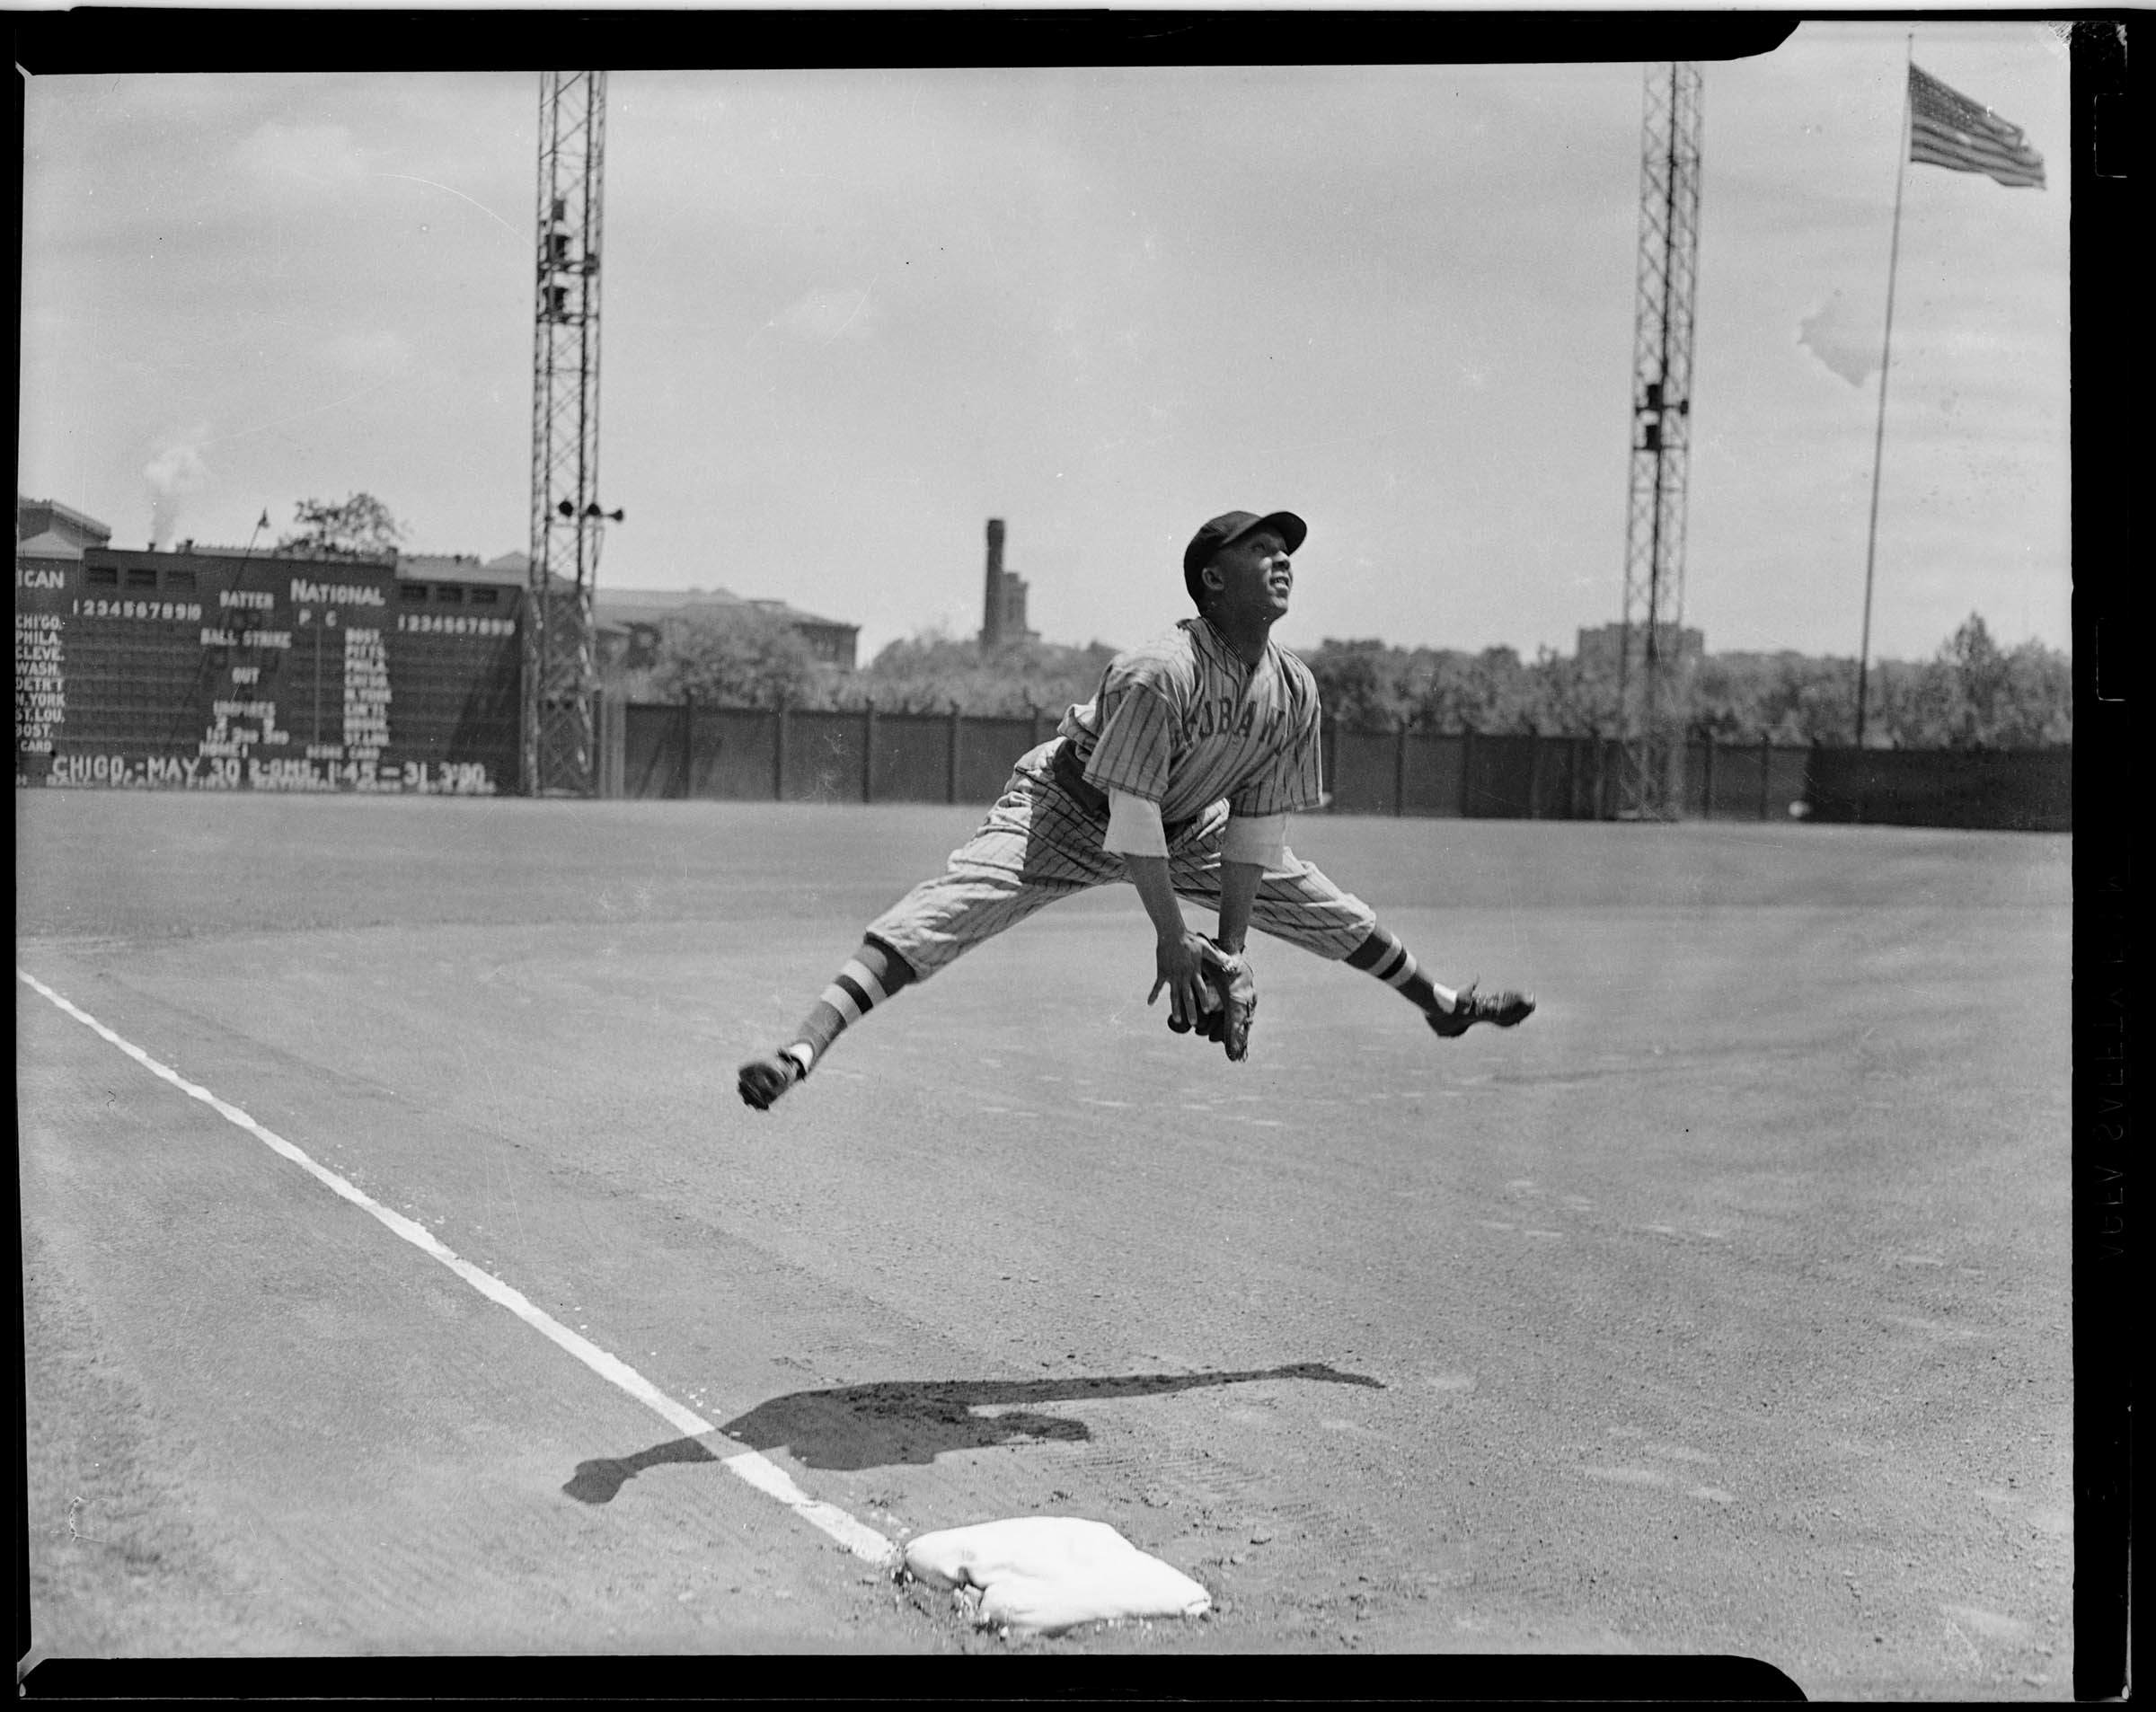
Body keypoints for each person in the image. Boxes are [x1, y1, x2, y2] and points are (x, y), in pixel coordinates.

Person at [738, 507, 1533, 1111]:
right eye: (1259, 548)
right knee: (942, 913)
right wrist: (1170, 936)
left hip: (1187, 827)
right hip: (1066, 808)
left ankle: (1445, 1008)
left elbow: (1255, 830)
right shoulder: (1161, 671)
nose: (1281, 557)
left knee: (1326, 907)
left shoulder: (1294, 689)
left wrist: (1225, 952)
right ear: (1213, 579)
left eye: (1284, 548)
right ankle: (800, 1052)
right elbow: (1130, 812)